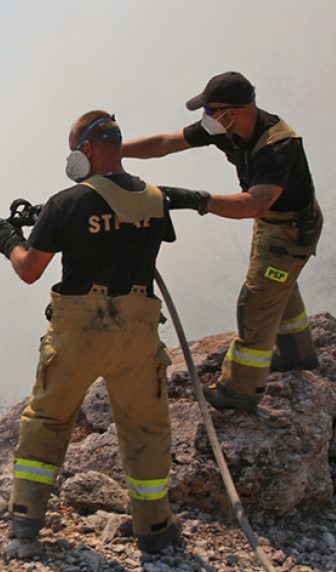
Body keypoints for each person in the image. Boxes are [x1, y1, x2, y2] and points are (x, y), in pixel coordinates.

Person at [0, 110, 179, 555]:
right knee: (146, 429)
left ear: (86, 150)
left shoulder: (66, 203)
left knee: (49, 422)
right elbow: (128, 230)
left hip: (78, 334)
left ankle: (24, 530)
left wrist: (9, 238)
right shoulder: (155, 199)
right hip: (137, 334)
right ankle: (153, 529)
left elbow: (30, 270)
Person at [122, 71, 322, 413]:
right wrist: (113, 152)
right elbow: (166, 143)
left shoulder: (279, 146)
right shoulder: (226, 128)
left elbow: (254, 204)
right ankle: (298, 353)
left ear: (237, 110)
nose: (206, 119)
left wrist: (198, 199)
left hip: (289, 231)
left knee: (257, 300)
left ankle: (240, 390)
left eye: (212, 110)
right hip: (272, 225)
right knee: (279, 283)